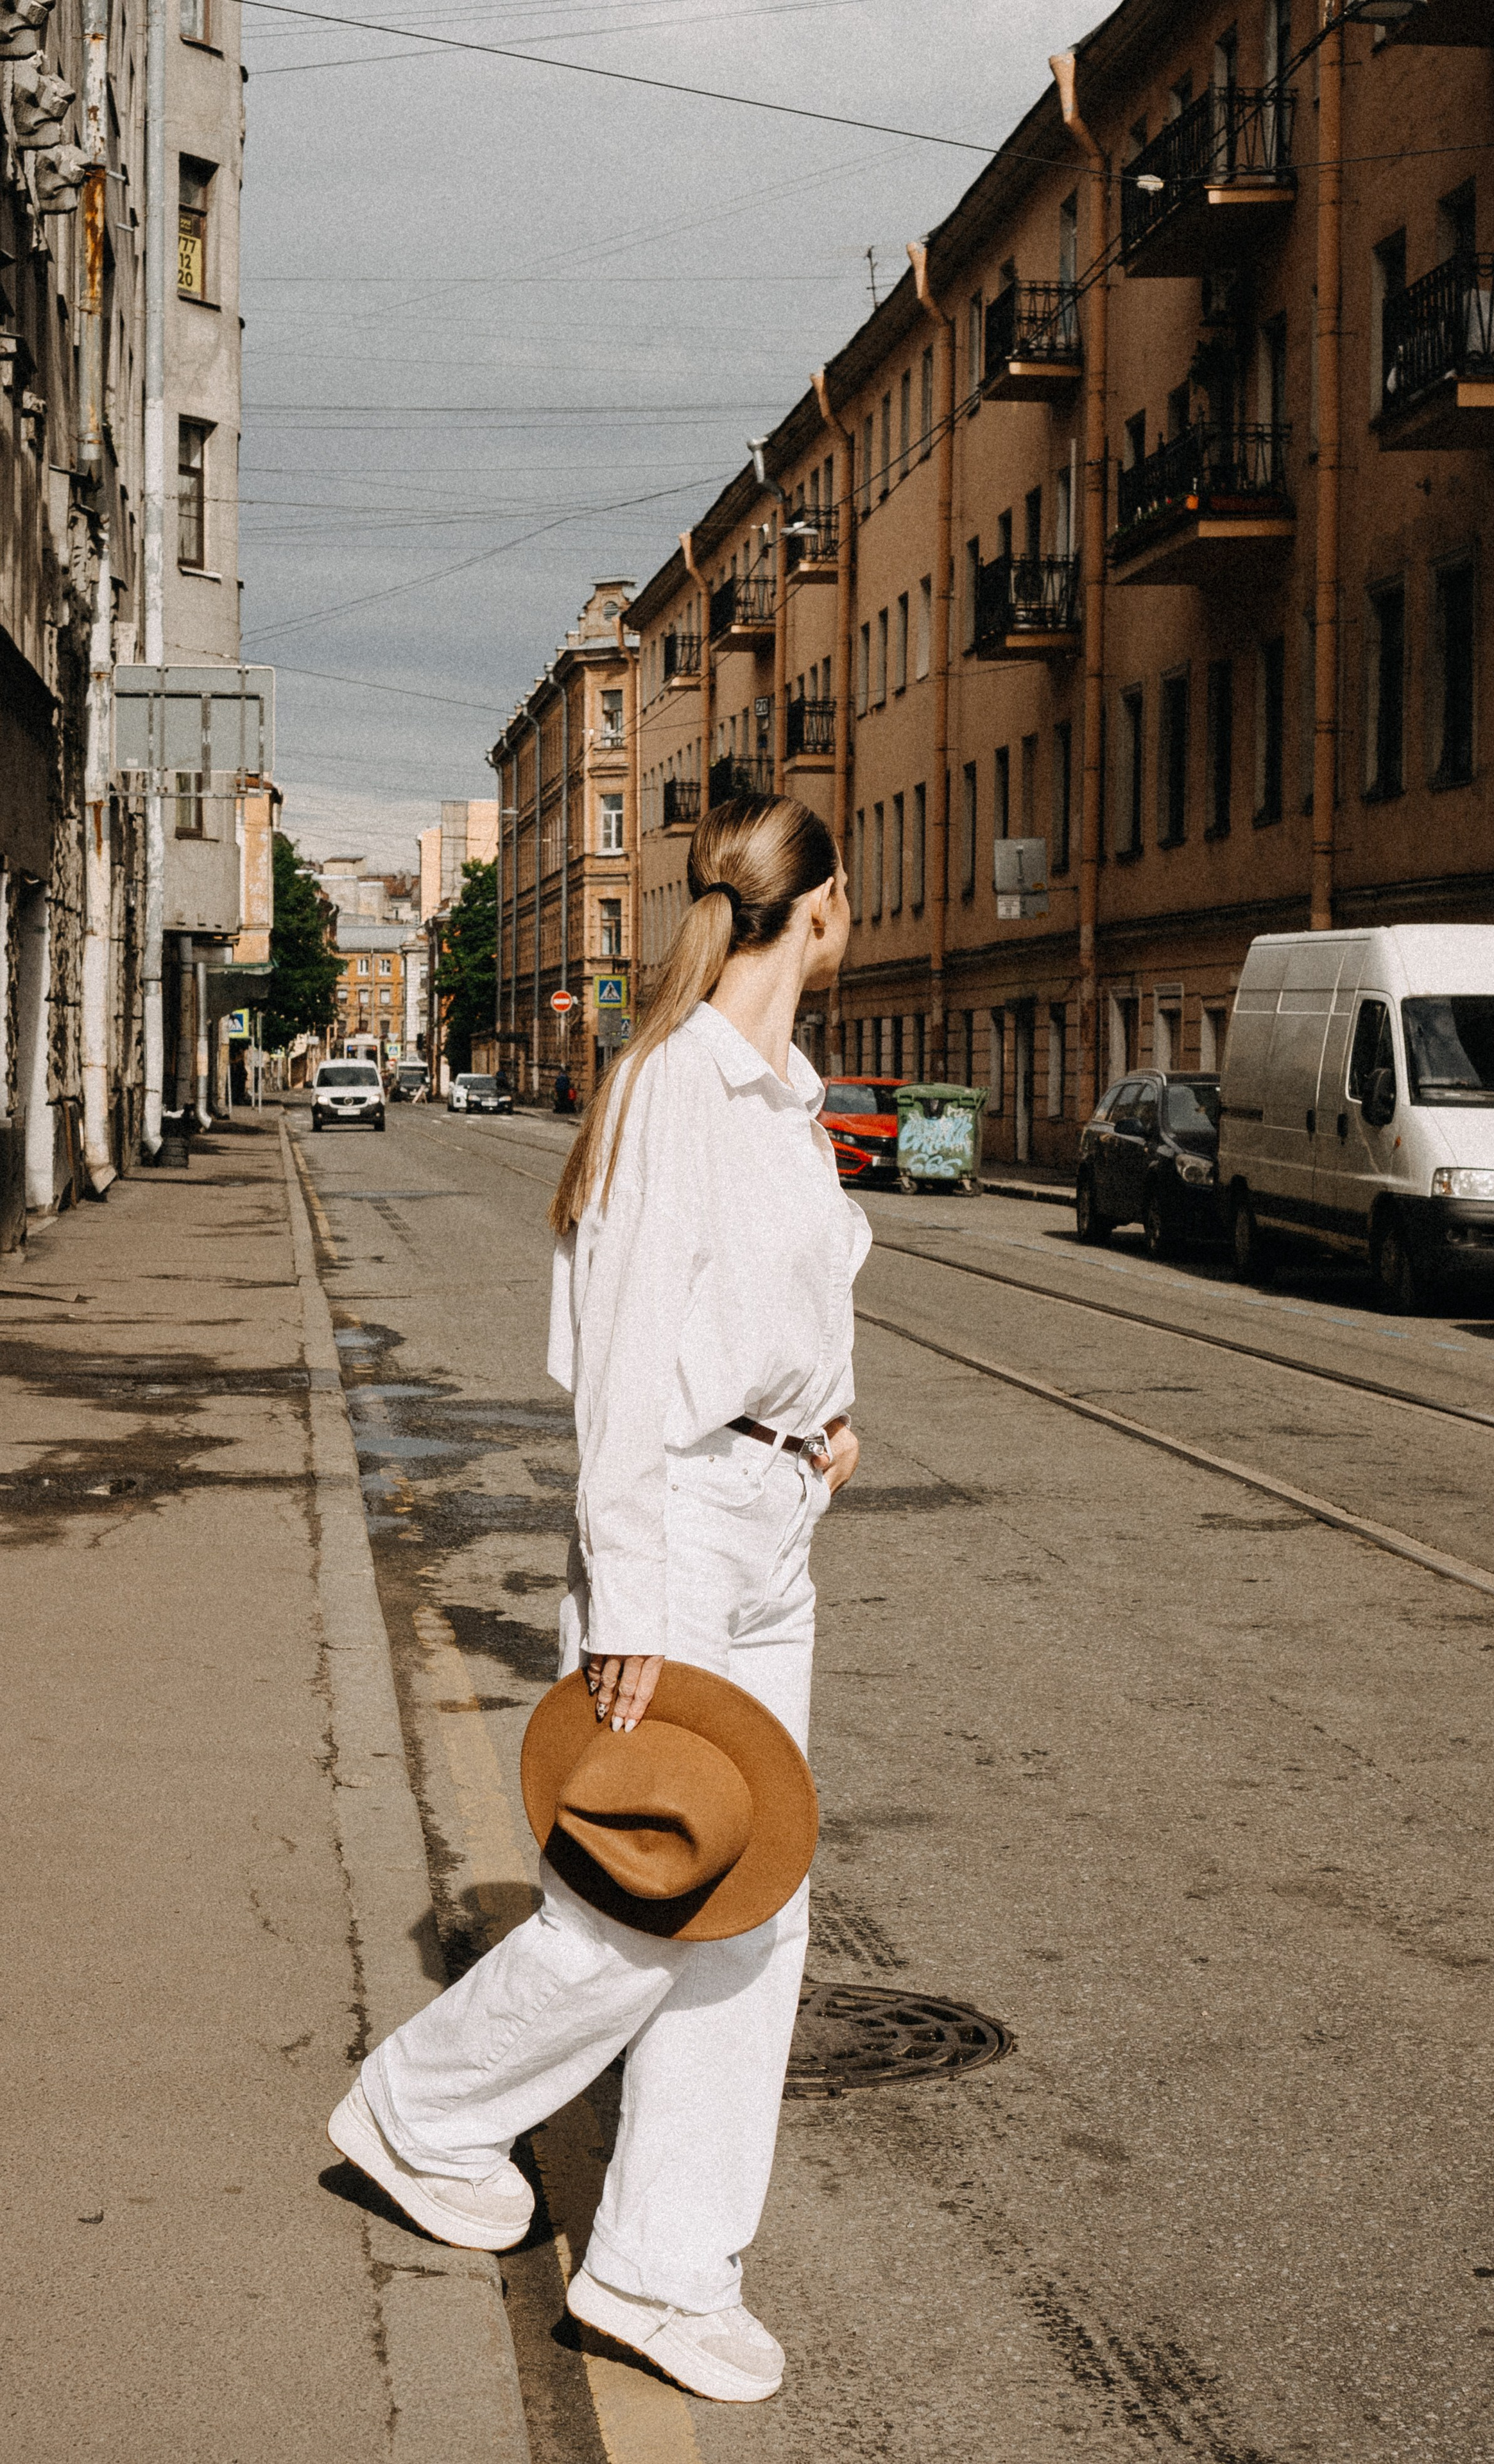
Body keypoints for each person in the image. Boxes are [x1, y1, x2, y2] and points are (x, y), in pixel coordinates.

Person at [327, 796, 865, 2404]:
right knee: (645, 1896)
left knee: (753, 1900)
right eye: (847, 889)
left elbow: (763, 1308)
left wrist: (817, 1425)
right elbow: (625, 1369)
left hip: (766, 1521)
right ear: (817, 909)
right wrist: (627, 1601)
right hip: (677, 1537)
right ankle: (420, 2114)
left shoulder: (781, 1093)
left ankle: (657, 2267)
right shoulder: (671, 1085)